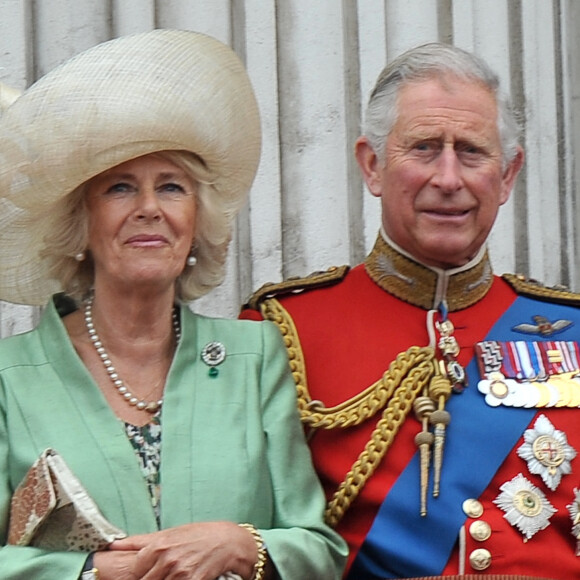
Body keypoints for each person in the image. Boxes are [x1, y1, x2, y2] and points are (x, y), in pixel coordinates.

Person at [0, 30, 347, 580]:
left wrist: (238, 544)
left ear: (195, 223)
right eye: (118, 187)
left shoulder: (254, 357)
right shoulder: (8, 377)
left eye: (171, 187)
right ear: (81, 224)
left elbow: (318, 552)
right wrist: (92, 573)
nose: (148, 209)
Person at [241, 42, 580, 579]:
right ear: (372, 165)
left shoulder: (573, 331)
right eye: (423, 148)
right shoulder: (282, 331)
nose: (448, 178)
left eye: (471, 151)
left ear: (509, 174)